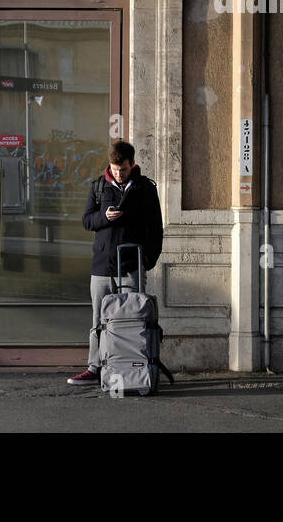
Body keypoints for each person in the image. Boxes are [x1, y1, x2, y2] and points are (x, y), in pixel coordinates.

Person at [66, 140, 164, 386]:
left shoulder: (145, 189)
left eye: (124, 169)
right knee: (98, 320)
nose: (119, 174)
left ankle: (133, 367)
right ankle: (95, 368)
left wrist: (148, 262)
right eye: (115, 169)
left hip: (132, 265)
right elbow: (87, 221)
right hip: (102, 265)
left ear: (132, 164)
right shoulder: (99, 186)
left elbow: (156, 229)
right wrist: (105, 217)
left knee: (134, 319)